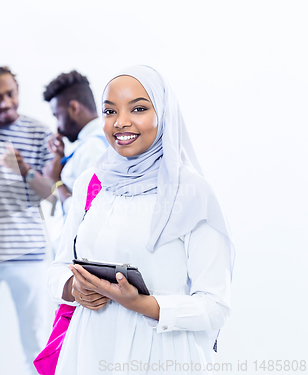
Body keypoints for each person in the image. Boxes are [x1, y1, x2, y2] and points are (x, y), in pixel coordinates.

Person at [47, 65, 234, 374]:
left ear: (162, 113)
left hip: (161, 354)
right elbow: (57, 269)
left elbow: (215, 306)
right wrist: (73, 288)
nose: (121, 122)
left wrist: (141, 304)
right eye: (110, 111)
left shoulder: (191, 192)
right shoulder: (91, 183)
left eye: (138, 108)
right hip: (90, 348)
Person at [0, 66, 54, 375]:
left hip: (27, 252)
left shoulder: (40, 132)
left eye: (9, 94)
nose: (3, 103)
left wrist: (25, 167)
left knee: (36, 342)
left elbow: (52, 195)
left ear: (18, 92)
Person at [42, 70, 108, 216]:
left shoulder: (92, 147)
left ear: (74, 108)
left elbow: (89, 212)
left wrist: (56, 181)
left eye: (57, 115)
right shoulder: (96, 142)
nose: (58, 126)